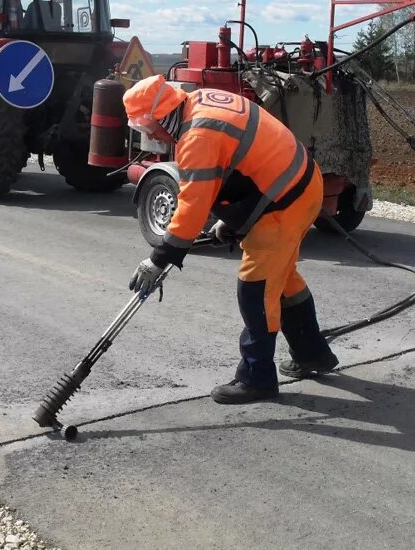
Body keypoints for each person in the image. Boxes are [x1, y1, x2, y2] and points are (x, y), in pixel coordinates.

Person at [124, 75, 339, 404]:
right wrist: (230, 219)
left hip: (284, 202)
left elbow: (192, 209)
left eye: (145, 125)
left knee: (255, 288)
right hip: (304, 187)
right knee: (281, 279)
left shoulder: (196, 137)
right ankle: (313, 354)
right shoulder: (202, 103)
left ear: (157, 116)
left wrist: (158, 258)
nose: (149, 133)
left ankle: (257, 379)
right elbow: (237, 165)